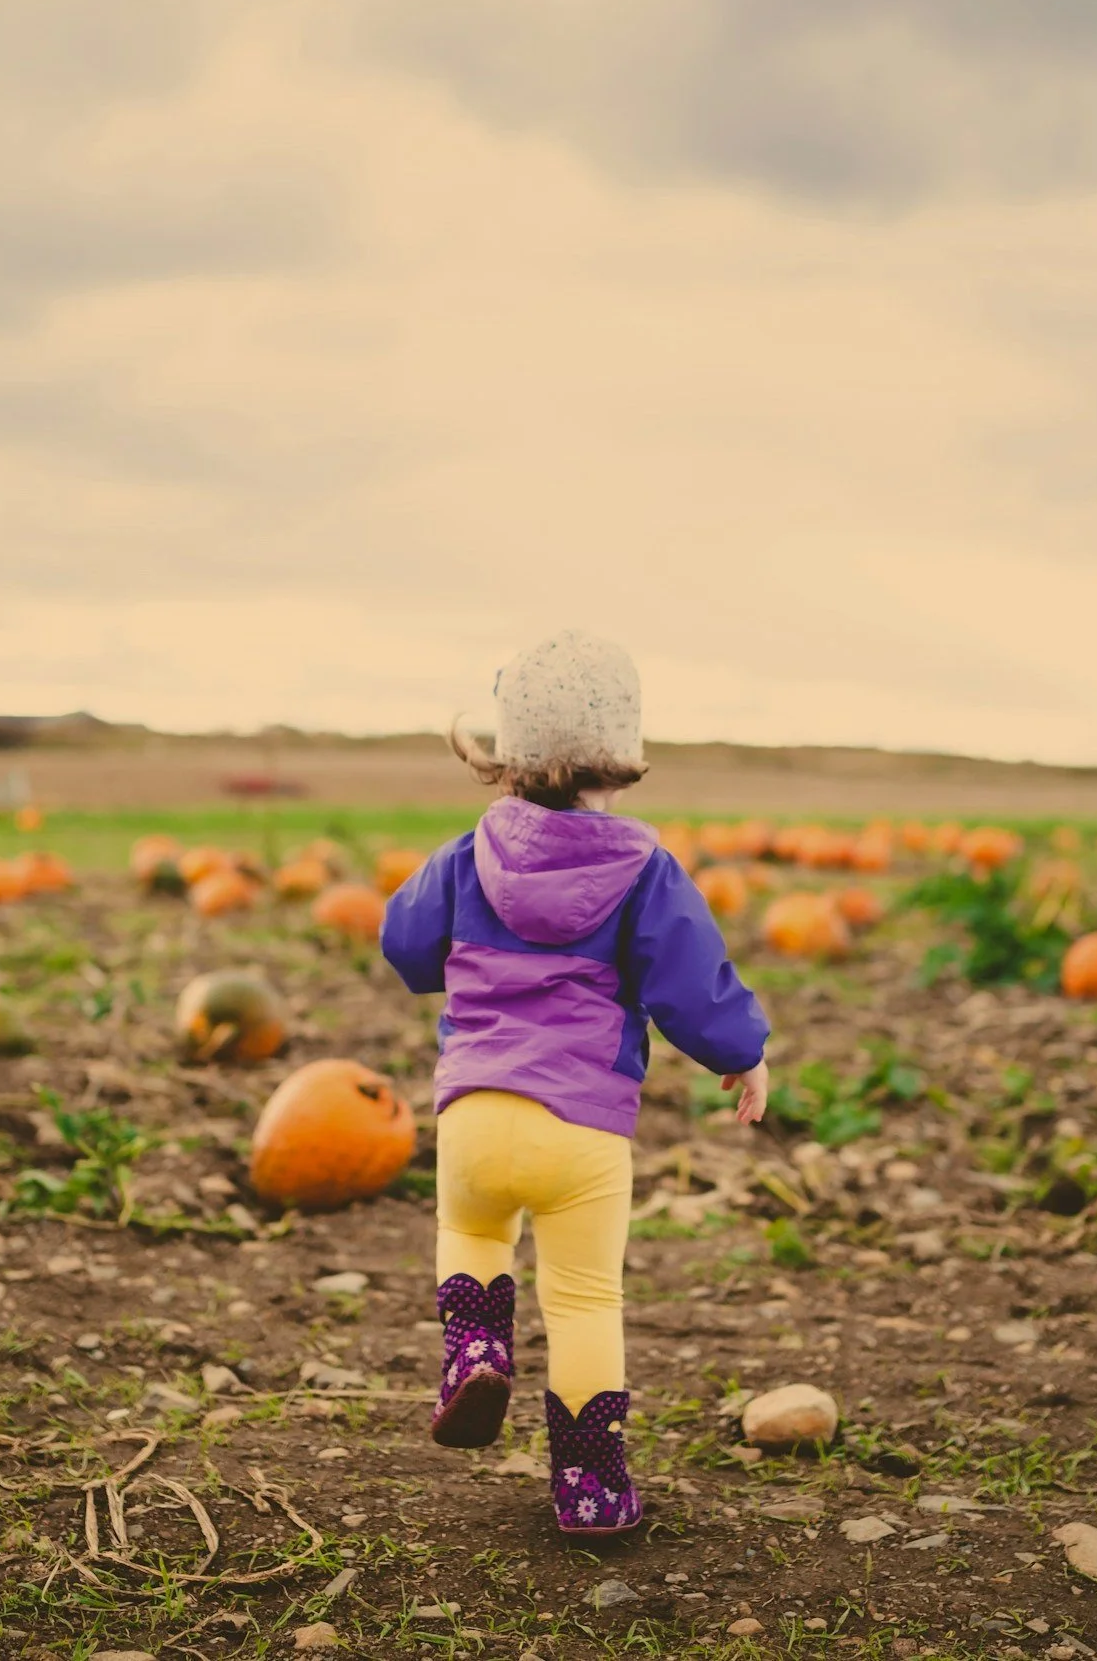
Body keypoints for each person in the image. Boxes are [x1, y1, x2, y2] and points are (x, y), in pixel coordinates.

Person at [380, 629, 771, 1536]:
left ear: (505, 756)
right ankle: (590, 1486)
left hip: (474, 1114)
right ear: (623, 761)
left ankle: (475, 1346)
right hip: (584, 1132)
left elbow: (405, 946)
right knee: (587, 1299)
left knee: (470, 1227)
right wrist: (741, 1052)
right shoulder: (645, 872)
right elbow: (691, 985)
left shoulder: (465, 854)